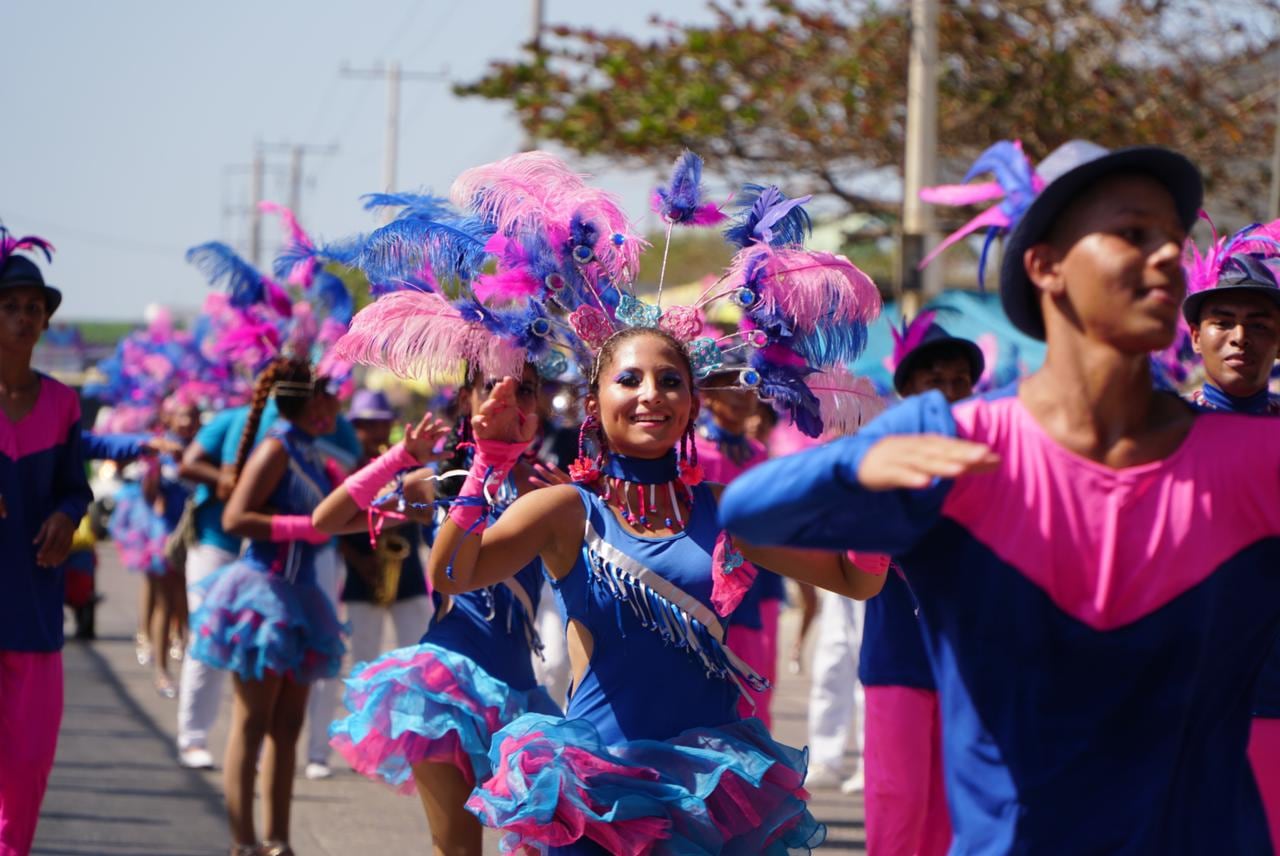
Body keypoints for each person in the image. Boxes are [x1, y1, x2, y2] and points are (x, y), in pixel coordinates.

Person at [721, 141, 1280, 852]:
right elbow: (750, 511)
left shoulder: (1257, 459)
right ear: (1045, 264)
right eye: (1133, 234)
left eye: (1171, 237)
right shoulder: (954, 442)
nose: (1169, 256)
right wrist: (860, 465)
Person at [319, 365, 560, 856]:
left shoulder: (550, 489)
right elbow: (329, 519)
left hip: (524, 695)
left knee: (548, 842)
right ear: (466, 399)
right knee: (456, 849)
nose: (508, 398)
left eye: (525, 389)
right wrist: (400, 457)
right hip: (444, 690)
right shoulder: (439, 483)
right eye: (492, 386)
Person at [187, 356, 345, 856]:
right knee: (253, 722)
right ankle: (242, 841)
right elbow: (234, 518)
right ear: (314, 400)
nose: (339, 404)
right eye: (333, 394)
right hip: (262, 595)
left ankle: (278, 839)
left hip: (302, 597)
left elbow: (335, 517)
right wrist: (298, 528)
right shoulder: (276, 448)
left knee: (288, 724)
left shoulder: (310, 452)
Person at [857, 315, 982, 854]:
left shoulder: (994, 466)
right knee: (900, 808)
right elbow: (861, 560)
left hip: (974, 671)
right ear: (907, 389)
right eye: (936, 381)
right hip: (898, 664)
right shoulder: (882, 463)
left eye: (961, 382)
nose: (951, 394)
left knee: (962, 815)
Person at [1182, 245, 1280, 852]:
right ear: (1195, 336)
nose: (1241, 336)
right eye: (1223, 322)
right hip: (1181, 704)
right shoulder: (1158, 436)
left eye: (1261, 323)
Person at [0, 230, 93, 856]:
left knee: (28, 768)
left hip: (34, 610)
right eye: (12, 304)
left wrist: (66, 514)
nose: (26, 315)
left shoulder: (63, 403)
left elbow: (76, 487)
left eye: (36, 307)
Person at [335, 389, 434, 672]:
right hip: (362, 574)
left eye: (383, 423)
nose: (378, 431)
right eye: (369, 425)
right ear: (355, 428)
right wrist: (358, 561)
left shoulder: (405, 467)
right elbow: (331, 526)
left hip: (409, 573)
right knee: (363, 665)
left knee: (419, 661)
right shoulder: (348, 470)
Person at [109, 396, 200, 697]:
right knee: (165, 601)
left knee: (186, 604)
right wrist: (153, 477)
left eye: (193, 415)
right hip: (163, 535)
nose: (188, 422)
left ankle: (185, 658)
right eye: (182, 416)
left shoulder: (203, 450)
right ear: (170, 420)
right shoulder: (159, 452)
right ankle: (162, 671)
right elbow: (149, 498)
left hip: (194, 537)